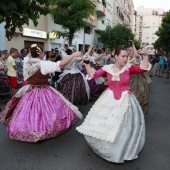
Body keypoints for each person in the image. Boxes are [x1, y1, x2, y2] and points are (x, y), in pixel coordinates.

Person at [76, 46, 151, 163]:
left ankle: (123, 149)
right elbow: (94, 75)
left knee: (124, 126)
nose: (126, 59)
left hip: (126, 99)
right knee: (105, 123)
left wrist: (145, 56)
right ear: (116, 56)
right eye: (123, 56)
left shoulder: (129, 68)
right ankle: (108, 148)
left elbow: (143, 69)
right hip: (108, 99)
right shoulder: (107, 68)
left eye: (127, 56)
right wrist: (86, 65)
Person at [0, 44, 82, 142]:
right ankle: (40, 132)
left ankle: (26, 131)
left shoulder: (26, 61)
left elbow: (28, 56)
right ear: (41, 52)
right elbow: (60, 65)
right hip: (42, 90)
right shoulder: (43, 64)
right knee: (46, 113)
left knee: (26, 113)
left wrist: (32, 51)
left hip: (30, 90)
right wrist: (74, 55)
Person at [58, 37, 90, 105]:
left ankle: (66, 100)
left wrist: (64, 40)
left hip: (66, 73)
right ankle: (74, 100)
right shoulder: (75, 57)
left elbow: (62, 46)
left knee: (65, 86)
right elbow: (85, 56)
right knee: (77, 88)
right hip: (76, 73)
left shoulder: (64, 56)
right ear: (72, 52)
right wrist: (87, 50)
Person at [128, 42, 150, 114]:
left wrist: (133, 44)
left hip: (136, 79)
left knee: (137, 94)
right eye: (128, 50)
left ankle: (136, 110)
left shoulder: (137, 58)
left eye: (130, 50)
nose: (129, 51)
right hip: (129, 78)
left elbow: (137, 55)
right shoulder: (127, 58)